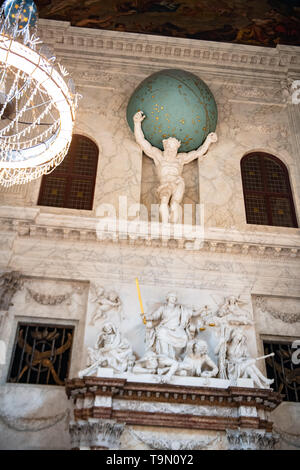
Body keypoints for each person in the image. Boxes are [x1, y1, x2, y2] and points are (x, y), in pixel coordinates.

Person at [134, 111, 217, 223]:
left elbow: (198, 152)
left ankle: (174, 227)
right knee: (163, 202)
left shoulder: (180, 159)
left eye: (173, 149)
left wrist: (208, 140)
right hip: (165, 184)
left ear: (177, 149)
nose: (171, 151)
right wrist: (137, 123)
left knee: (174, 204)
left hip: (178, 183)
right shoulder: (158, 156)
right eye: (169, 148)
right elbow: (141, 142)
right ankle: (165, 226)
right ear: (165, 146)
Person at [145, 292, 200, 360]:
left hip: (177, 329)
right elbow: (155, 316)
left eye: (175, 297)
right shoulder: (163, 308)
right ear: (168, 298)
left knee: (184, 336)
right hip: (165, 327)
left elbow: (194, 314)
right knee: (161, 332)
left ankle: (175, 357)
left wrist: (203, 309)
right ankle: (164, 356)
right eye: (172, 297)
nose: (173, 299)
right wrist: (149, 317)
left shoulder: (180, 308)